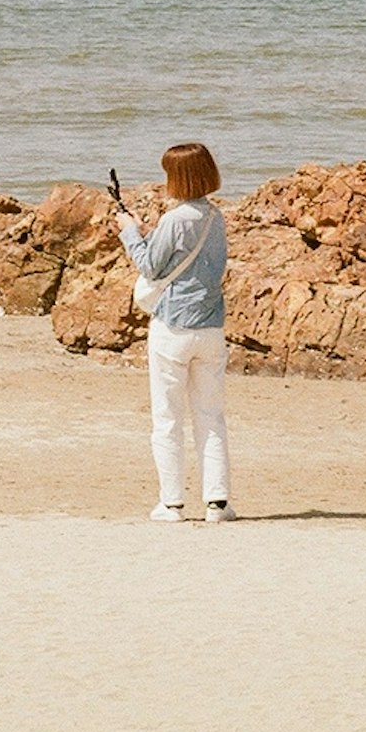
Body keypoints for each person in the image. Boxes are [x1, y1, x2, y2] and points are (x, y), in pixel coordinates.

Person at [118, 141, 230, 524]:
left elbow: (150, 266)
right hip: (211, 327)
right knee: (211, 417)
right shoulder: (216, 218)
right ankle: (218, 503)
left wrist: (130, 231)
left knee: (167, 418)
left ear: (176, 177)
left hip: (173, 328)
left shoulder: (175, 219)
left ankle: (172, 503)